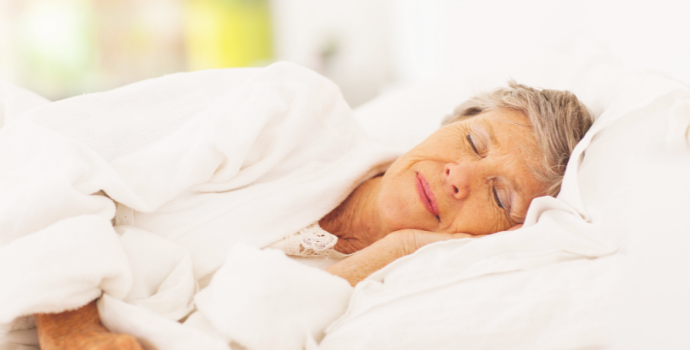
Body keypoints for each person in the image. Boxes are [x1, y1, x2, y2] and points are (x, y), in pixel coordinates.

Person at [0, 64, 592, 350]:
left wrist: (392, 250)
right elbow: (59, 150)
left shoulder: (399, 291)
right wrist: (71, 326)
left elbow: (225, 337)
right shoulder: (294, 114)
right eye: (472, 143)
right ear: (445, 126)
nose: (459, 176)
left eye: (498, 195)